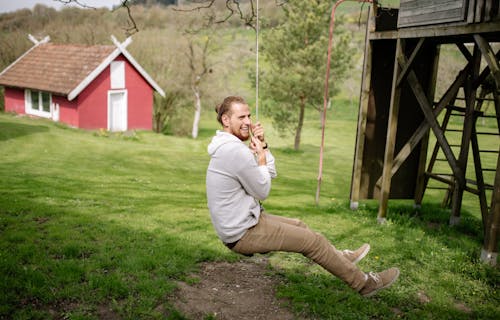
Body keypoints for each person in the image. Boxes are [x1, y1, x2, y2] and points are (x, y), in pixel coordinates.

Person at [206, 96, 399, 297]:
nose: (248, 122)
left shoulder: (227, 147)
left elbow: (268, 175)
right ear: (226, 120)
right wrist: (261, 159)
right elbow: (263, 190)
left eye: (249, 116)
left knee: (299, 225)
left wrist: (263, 148)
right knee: (311, 242)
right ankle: (363, 283)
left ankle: (339, 258)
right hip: (242, 233)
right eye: (241, 117)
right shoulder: (234, 151)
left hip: (245, 222)